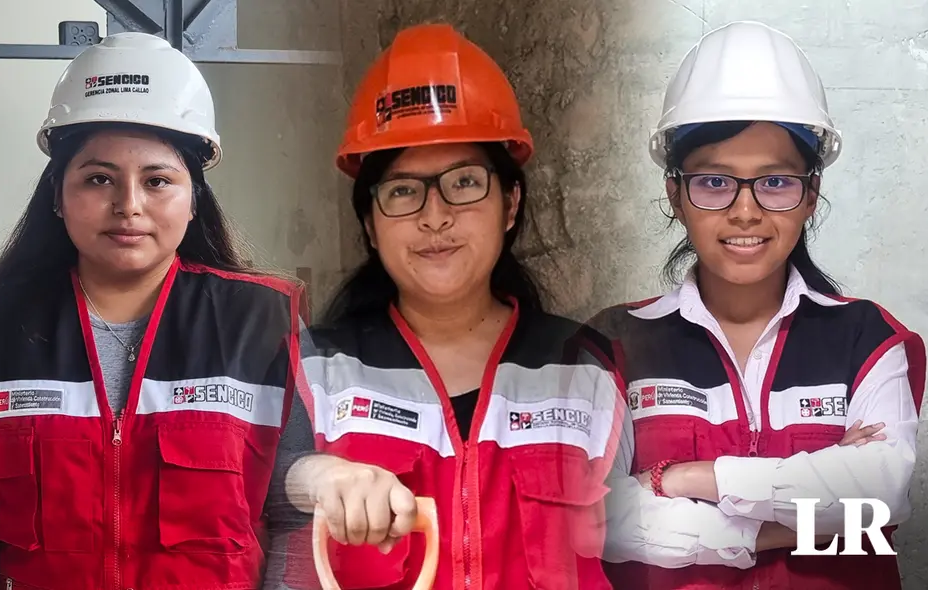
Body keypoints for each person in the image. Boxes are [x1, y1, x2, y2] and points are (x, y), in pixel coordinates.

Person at [0, 32, 315, 590]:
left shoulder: (266, 326)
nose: (128, 205)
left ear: (194, 198)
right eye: (98, 179)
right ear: (58, 195)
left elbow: (300, 516)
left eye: (157, 180)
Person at [274, 24, 625, 590]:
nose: (434, 216)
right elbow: (254, 498)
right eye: (402, 191)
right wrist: (313, 476)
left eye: (464, 183)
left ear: (510, 203)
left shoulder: (586, 370)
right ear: (370, 223)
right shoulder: (315, 372)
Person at [591, 21, 925, 590]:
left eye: (775, 182)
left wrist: (683, 478)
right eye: (714, 182)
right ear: (675, 194)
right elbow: (600, 520)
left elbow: (878, 497)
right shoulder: (613, 344)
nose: (745, 211)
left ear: (811, 193)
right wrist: (785, 517)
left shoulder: (869, 338)